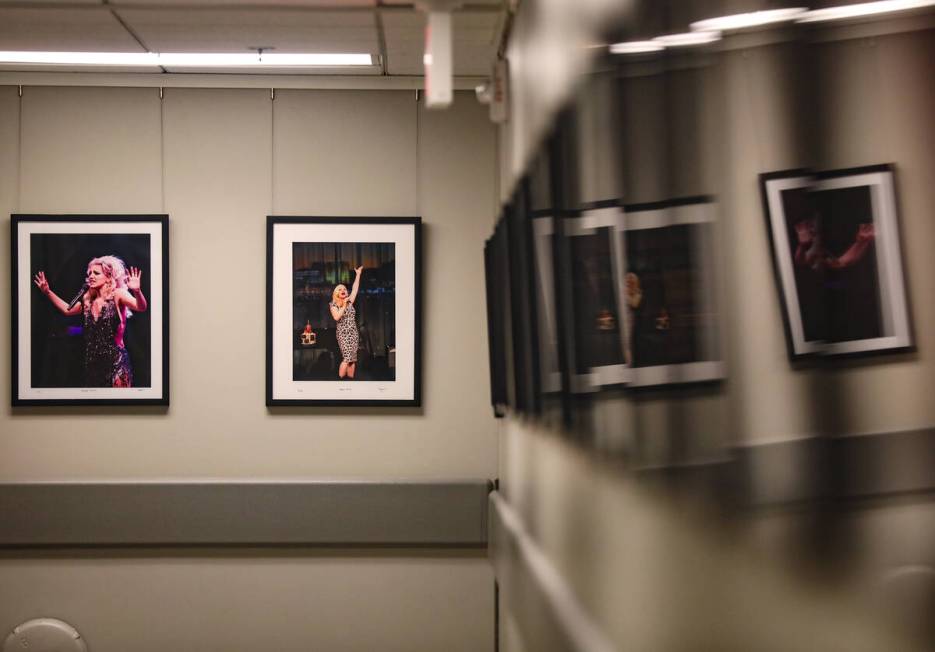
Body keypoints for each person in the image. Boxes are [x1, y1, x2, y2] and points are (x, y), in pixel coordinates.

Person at [33, 255, 147, 387]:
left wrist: (137, 291)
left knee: (118, 404)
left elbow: (141, 307)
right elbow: (67, 309)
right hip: (93, 365)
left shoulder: (118, 294)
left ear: (109, 276)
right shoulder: (87, 300)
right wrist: (47, 292)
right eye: (89, 273)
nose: (91, 276)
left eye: (96, 273)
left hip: (116, 363)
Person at [329, 266, 363, 379]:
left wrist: (358, 274)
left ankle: (351, 381)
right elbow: (336, 317)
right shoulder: (333, 305)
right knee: (346, 358)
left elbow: (355, 289)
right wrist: (343, 304)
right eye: (340, 289)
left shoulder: (349, 302)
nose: (343, 290)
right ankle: (340, 382)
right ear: (336, 293)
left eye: (344, 289)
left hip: (353, 333)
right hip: (343, 334)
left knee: (352, 359)